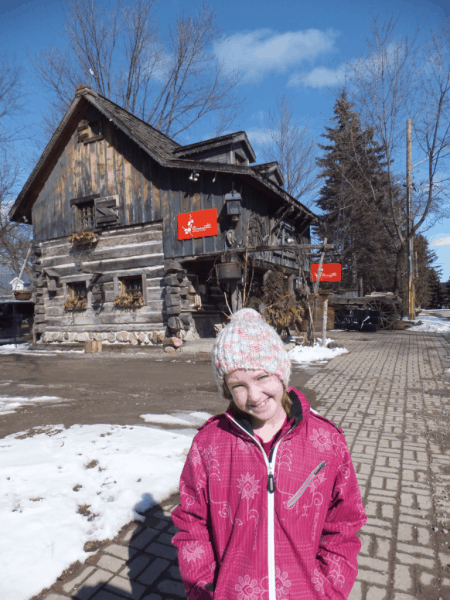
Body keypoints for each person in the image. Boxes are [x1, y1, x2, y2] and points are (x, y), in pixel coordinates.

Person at [171, 308, 366, 599]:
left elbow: (344, 522)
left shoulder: (327, 442)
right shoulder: (209, 445)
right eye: (238, 385)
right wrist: (205, 587)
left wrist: (330, 588)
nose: (254, 395)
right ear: (226, 389)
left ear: (281, 374)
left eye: (262, 377)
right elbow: (191, 522)